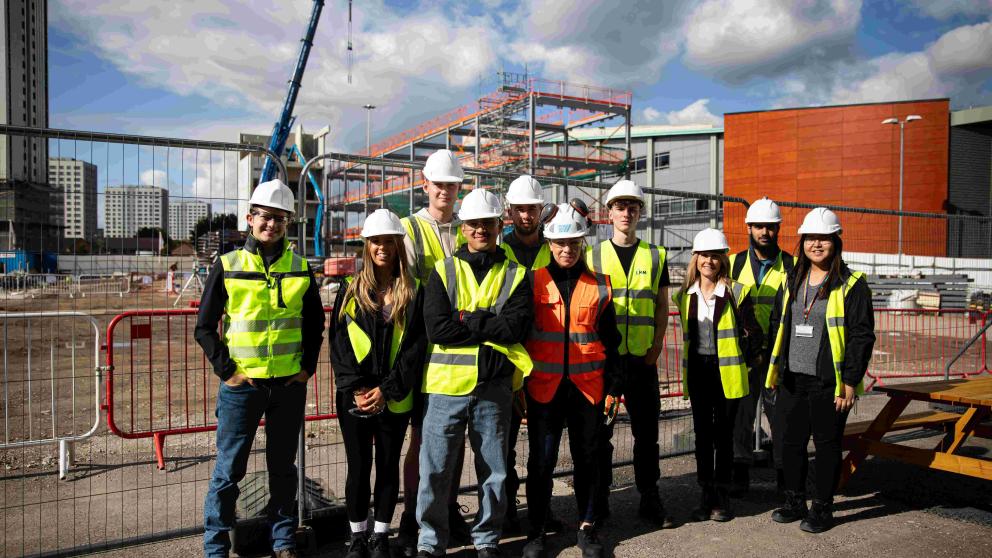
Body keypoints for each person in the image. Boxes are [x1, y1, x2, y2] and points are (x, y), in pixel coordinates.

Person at [195, 179, 325, 558]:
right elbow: (204, 327)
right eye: (266, 217)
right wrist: (228, 372)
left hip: (288, 386)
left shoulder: (300, 268)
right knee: (228, 471)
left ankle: (283, 541)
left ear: (288, 224)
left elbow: (315, 324)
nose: (272, 225)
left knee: (282, 469)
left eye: (280, 219)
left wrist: (306, 369)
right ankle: (216, 548)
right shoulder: (228, 265)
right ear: (250, 218)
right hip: (243, 388)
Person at [416, 188, 533, 558]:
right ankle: (430, 541)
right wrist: (488, 323)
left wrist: (466, 318)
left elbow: (514, 328)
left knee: (493, 471)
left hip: (493, 387)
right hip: (445, 388)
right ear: (463, 228)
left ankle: (486, 540)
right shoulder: (443, 271)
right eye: (474, 224)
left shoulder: (516, 274)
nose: (481, 229)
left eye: (488, 223)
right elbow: (438, 329)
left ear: (499, 226)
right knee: (435, 470)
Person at [520, 203, 622, 558]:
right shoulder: (532, 282)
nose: (567, 249)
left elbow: (612, 343)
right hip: (544, 389)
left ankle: (587, 528)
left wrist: (614, 389)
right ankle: (536, 531)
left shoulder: (600, 286)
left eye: (574, 242)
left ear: (582, 242)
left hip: (588, 390)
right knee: (541, 462)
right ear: (549, 244)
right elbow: (521, 338)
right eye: (561, 243)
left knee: (588, 459)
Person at [766, 208, 875, 533]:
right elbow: (777, 324)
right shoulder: (791, 279)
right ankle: (795, 501)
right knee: (791, 443)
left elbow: (861, 335)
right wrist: (775, 371)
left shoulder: (851, 284)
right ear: (802, 242)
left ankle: (823, 509)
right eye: (810, 238)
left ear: (835, 241)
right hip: (792, 378)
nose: (816, 244)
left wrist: (850, 381)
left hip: (829, 382)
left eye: (823, 238)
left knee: (827, 446)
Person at [330, 209, 427, 558]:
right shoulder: (350, 290)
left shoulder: (413, 292)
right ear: (367, 246)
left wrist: (387, 390)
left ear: (399, 245)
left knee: (387, 466)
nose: (382, 247)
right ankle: (358, 537)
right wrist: (357, 389)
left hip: (394, 396)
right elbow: (339, 344)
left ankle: (381, 536)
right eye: (376, 242)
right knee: (358, 468)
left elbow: (415, 349)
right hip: (355, 397)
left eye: (389, 241)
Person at [397, 149, 471, 556]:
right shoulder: (410, 229)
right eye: (439, 183)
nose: (445, 190)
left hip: (459, 349)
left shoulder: (467, 228)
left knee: (454, 439)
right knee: (421, 439)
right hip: (424, 350)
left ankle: (446, 510)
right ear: (424, 185)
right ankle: (412, 516)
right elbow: (405, 291)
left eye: (452, 184)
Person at [586, 179, 672, 527]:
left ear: (640, 213)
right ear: (609, 213)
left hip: (641, 361)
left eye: (632, 207)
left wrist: (656, 346)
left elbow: (662, 305)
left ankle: (649, 496)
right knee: (601, 433)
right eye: (620, 207)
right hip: (606, 364)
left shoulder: (655, 255)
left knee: (646, 435)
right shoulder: (592, 255)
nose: (626, 213)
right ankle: (600, 499)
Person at [672, 228, 762, 523]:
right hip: (699, 371)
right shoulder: (684, 296)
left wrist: (749, 360)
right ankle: (705, 492)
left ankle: (721, 495)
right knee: (702, 436)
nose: (708, 261)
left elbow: (753, 333)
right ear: (695, 259)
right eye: (703, 255)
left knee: (724, 436)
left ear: (722, 259)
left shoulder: (736, 291)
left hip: (728, 373)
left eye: (714, 256)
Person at [499, 174, 561, 534]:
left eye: (532, 209)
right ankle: (506, 513)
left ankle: (541, 511)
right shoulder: (498, 249)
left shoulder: (553, 249)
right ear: (510, 211)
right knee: (502, 446)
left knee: (543, 445)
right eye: (520, 209)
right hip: (508, 362)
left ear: (541, 211)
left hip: (545, 361)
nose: (526, 215)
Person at [728, 197, 794, 495]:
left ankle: (784, 475)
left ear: (778, 229)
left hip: (777, 355)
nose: (764, 232)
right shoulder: (734, 263)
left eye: (770, 226)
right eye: (758, 226)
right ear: (749, 228)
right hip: (744, 354)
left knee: (780, 416)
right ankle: (739, 473)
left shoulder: (792, 265)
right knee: (740, 415)